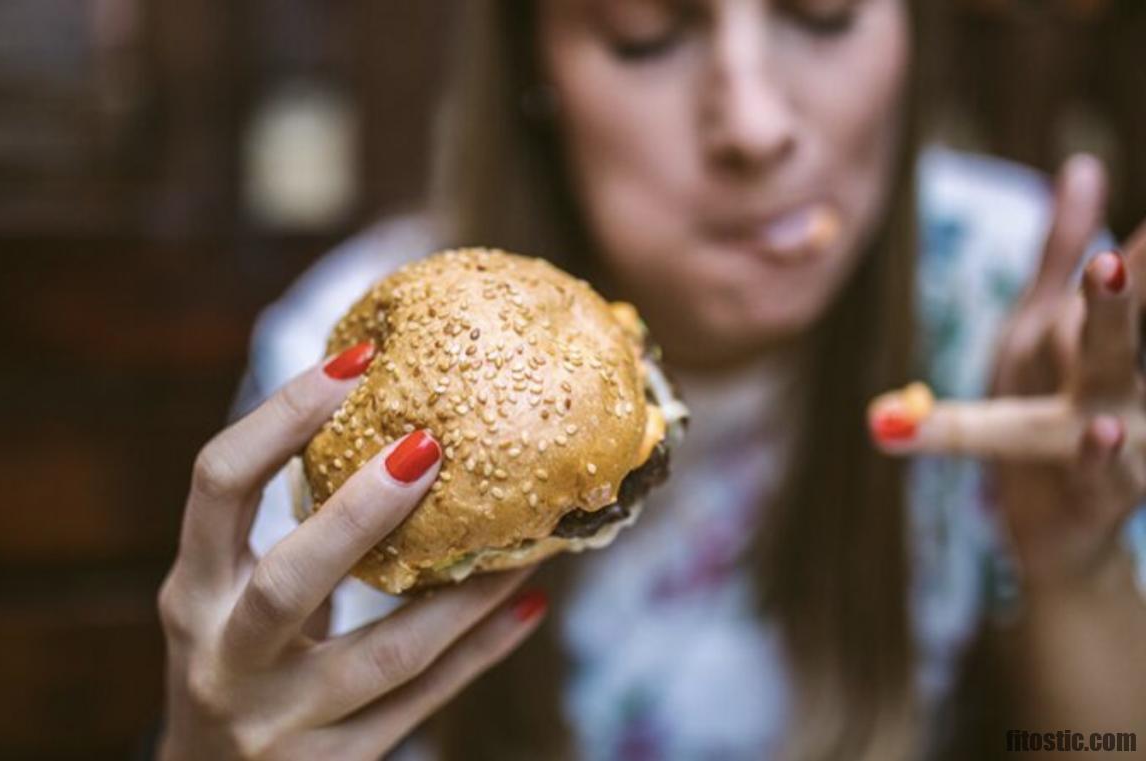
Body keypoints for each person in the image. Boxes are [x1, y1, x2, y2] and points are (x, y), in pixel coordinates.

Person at [152, 1, 1146, 759]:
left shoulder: (1011, 300)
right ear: (532, 63)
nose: (753, 124)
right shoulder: (351, 382)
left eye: (821, 12)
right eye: (646, 32)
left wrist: (1074, 569)